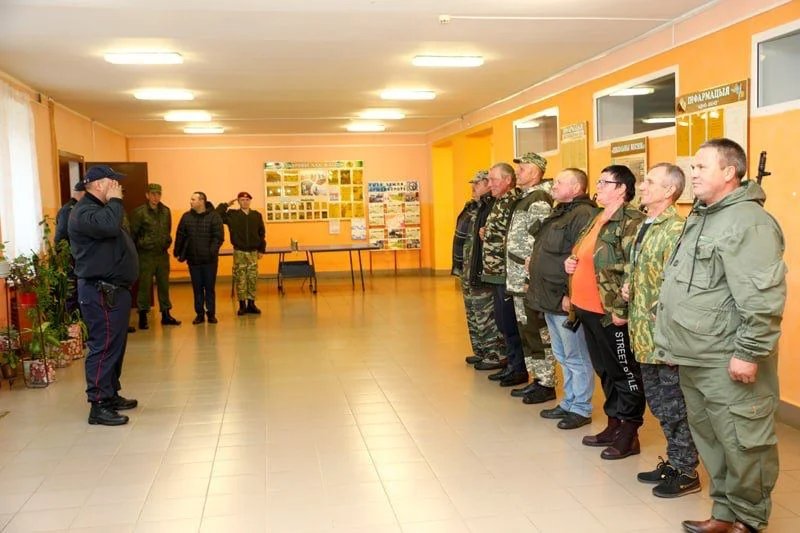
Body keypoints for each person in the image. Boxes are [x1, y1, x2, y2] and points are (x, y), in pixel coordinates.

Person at [654, 139, 786, 533]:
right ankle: (724, 513)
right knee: (712, 440)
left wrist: (749, 351)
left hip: (728, 355)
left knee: (745, 443)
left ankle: (749, 519)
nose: (692, 173)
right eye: (691, 167)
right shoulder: (703, 215)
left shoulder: (749, 221)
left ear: (729, 172)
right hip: (695, 354)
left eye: (700, 167)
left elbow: (762, 297)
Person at [622, 163, 700, 498]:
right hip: (643, 334)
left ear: (669, 191)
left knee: (674, 404)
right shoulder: (647, 225)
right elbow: (645, 271)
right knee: (658, 402)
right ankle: (674, 459)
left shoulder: (675, 229)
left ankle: (686, 469)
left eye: (650, 182)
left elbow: (679, 288)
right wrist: (630, 287)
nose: (642, 185)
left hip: (664, 337)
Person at [565, 165, 645, 460]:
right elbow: (583, 253)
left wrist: (622, 309)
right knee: (605, 371)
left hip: (611, 311)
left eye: (604, 182)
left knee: (625, 372)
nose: (597, 186)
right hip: (587, 307)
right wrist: (570, 265)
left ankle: (629, 432)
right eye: (598, 181)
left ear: (622, 188)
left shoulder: (632, 221)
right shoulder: (599, 216)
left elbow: (633, 270)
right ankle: (613, 423)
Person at [68, 165, 138, 426]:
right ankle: (98, 405)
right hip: (100, 290)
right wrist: (117, 200)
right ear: (98, 184)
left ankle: (110, 394)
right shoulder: (84, 212)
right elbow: (109, 228)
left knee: (115, 346)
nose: (118, 187)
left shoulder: (98, 210)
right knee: (104, 346)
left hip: (114, 290)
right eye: (113, 182)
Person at [527, 168, 597, 429]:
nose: (553, 186)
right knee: (562, 354)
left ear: (576, 187)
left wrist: (571, 294)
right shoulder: (560, 211)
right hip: (548, 296)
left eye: (559, 182)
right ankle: (569, 401)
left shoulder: (584, 215)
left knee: (576, 355)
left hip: (564, 298)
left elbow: (579, 259)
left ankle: (581, 407)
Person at [504, 153, 556, 401]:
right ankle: (536, 378)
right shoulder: (525, 198)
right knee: (526, 331)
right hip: (516, 279)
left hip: (527, 280)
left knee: (537, 332)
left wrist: (529, 277)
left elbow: (539, 241)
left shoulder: (539, 200)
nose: (518, 174)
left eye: (522, 169)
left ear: (535, 172)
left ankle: (546, 383)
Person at [454, 171, 505, 366]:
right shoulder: (472, 207)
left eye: (478, 183)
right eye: (472, 183)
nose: (473, 187)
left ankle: (493, 355)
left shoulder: (490, 207)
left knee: (486, 315)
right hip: (467, 269)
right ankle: (481, 350)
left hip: (480, 270)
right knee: (474, 314)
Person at [479, 163, 523, 385]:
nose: (490, 184)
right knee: (502, 321)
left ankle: (518, 369)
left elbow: (516, 237)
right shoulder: (499, 202)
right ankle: (511, 364)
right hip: (495, 272)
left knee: (510, 322)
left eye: (494, 180)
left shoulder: (514, 202)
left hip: (507, 273)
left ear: (507, 180)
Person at [130, 183, 180, 329]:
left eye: (158, 194)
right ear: (147, 195)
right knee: (145, 286)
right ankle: (143, 315)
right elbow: (133, 235)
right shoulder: (139, 212)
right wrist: (141, 246)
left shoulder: (165, 211)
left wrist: (166, 241)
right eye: (152, 194)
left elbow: (167, 230)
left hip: (162, 254)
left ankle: (166, 314)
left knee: (164, 285)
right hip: (145, 255)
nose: (155, 197)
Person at [174, 192, 224, 325]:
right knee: (197, 289)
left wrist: (211, 252)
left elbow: (218, 237)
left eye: (193, 199)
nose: (190, 202)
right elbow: (180, 235)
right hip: (193, 260)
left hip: (209, 260)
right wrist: (177, 252)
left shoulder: (214, 216)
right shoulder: (186, 217)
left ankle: (211, 314)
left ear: (202, 201)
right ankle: (199, 314)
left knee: (209, 288)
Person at [216, 191, 266, 316]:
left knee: (252, 278)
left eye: (247, 199)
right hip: (239, 252)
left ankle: (251, 304)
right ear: (238, 201)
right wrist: (225, 205)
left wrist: (261, 249)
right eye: (242, 200)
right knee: (241, 279)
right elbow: (216, 215)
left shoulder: (256, 215)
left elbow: (261, 233)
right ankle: (242, 305)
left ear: (250, 201)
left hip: (253, 252)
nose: (245, 202)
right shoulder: (232, 215)